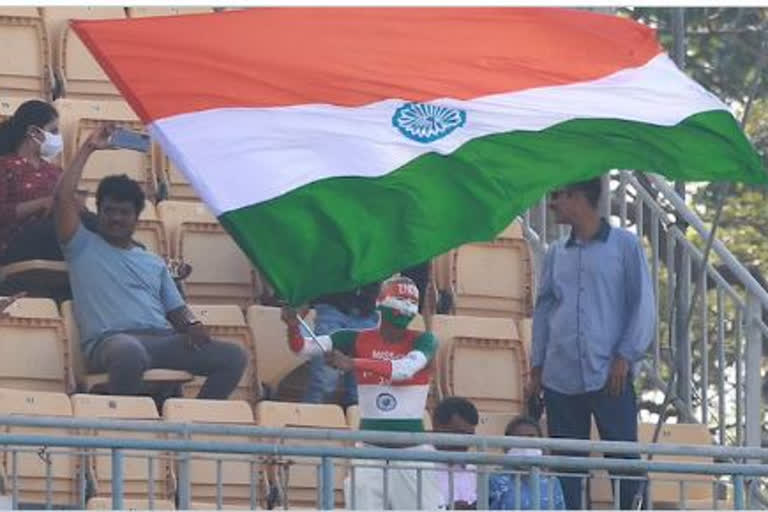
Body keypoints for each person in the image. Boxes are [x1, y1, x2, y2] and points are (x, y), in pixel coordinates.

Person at [53, 125, 246, 398]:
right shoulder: (82, 246)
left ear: (137, 217)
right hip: (112, 343)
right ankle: (125, 429)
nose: (116, 218)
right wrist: (88, 149)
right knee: (129, 352)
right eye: (109, 211)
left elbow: (177, 311)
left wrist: (192, 325)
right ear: (100, 211)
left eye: (124, 212)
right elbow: (62, 198)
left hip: (162, 340)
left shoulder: (152, 262)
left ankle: (193, 426)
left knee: (232, 357)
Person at [525, 177, 655, 510]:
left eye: (558, 195)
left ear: (580, 197)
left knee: (623, 460)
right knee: (568, 466)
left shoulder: (625, 245)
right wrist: (537, 366)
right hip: (560, 374)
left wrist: (625, 356)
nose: (552, 204)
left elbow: (642, 305)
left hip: (610, 373)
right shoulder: (556, 253)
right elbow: (544, 312)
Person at [281, 276, 443, 510]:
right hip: (369, 452)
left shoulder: (424, 340)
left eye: (411, 303)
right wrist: (293, 326)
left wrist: (353, 363)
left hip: (412, 453)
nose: (404, 309)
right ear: (381, 302)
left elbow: (404, 370)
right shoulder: (356, 338)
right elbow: (303, 348)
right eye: (399, 301)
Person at [0, 100, 97, 265]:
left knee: (97, 224)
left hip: (56, 242)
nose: (58, 136)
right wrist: (43, 203)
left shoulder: (55, 171)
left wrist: (75, 204)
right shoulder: (5, 165)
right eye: (53, 130)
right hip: (16, 245)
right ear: (33, 132)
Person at [304, 282, 381, 407]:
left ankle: (356, 423)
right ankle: (308, 422)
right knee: (323, 383)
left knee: (361, 389)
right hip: (332, 304)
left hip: (367, 310)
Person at [489, 416, 565, 510]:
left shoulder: (552, 482)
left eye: (531, 438)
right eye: (519, 439)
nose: (525, 445)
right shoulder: (495, 480)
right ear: (506, 446)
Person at [432, 396, 480, 510]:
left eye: (470, 436)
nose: (465, 443)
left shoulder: (474, 470)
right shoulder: (418, 466)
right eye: (459, 434)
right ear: (437, 427)